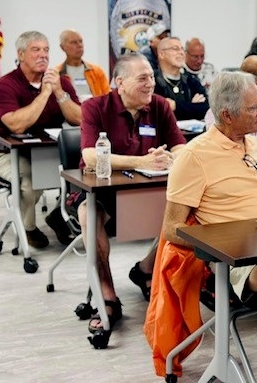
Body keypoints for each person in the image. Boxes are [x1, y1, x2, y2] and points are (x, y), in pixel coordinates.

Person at [145, 71, 257, 381]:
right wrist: (229, 244)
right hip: (236, 260)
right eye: (255, 107)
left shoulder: (253, 145)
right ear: (227, 115)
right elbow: (171, 229)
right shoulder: (194, 156)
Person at [78, 53, 186, 331]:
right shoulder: (94, 107)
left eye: (151, 76)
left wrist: (170, 158)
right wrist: (141, 162)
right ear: (120, 82)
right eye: (143, 78)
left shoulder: (160, 106)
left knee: (187, 211)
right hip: (100, 192)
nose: (151, 83)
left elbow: (180, 147)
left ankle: (146, 269)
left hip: (148, 191)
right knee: (89, 218)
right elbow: (91, 156)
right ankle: (107, 295)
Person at [0, 30, 81, 248]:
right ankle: (28, 228)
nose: (43, 55)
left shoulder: (60, 81)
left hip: (48, 150)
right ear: (21, 54)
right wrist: (45, 93)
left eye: (46, 50)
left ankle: (58, 215)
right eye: (36, 50)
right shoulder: (6, 85)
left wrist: (60, 93)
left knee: (84, 173)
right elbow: (16, 124)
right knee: (30, 180)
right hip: (7, 153)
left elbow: (79, 120)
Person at [153, 37, 209, 120]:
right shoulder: (152, 81)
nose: (181, 53)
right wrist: (190, 105)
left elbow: (204, 109)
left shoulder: (191, 81)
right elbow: (157, 112)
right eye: (175, 49)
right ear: (161, 54)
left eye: (182, 49)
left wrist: (175, 106)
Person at [56, 29, 110, 100]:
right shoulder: (57, 74)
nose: (79, 45)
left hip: (95, 109)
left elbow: (108, 97)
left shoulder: (96, 71)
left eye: (80, 41)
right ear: (63, 47)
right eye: (74, 42)